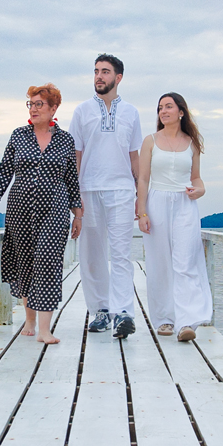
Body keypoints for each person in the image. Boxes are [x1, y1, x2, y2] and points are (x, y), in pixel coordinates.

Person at [0, 84, 83, 344]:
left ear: (53, 108)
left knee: (47, 261)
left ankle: (45, 330)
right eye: (30, 104)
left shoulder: (66, 140)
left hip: (55, 209)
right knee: (26, 264)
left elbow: (72, 179)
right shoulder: (19, 136)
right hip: (20, 209)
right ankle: (30, 320)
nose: (33, 109)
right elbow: (4, 170)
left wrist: (78, 215)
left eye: (39, 104)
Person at [66, 53, 144, 340]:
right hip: (88, 190)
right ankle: (100, 310)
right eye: (96, 71)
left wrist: (140, 196)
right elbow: (75, 156)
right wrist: (75, 198)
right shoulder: (82, 111)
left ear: (118, 77)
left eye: (105, 71)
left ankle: (124, 312)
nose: (99, 76)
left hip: (122, 190)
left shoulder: (131, 113)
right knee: (91, 254)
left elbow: (134, 156)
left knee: (122, 252)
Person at [136, 92, 210, 340]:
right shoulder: (150, 141)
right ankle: (165, 319)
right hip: (156, 203)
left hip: (184, 204)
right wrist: (142, 212)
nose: (163, 111)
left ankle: (186, 321)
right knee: (159, 263)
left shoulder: (192, 143)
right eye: (160, 108)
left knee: (185, 261)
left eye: (168, 107)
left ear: (181, 112)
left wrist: (200, 189)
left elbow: (196, 177)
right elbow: (143, 179)